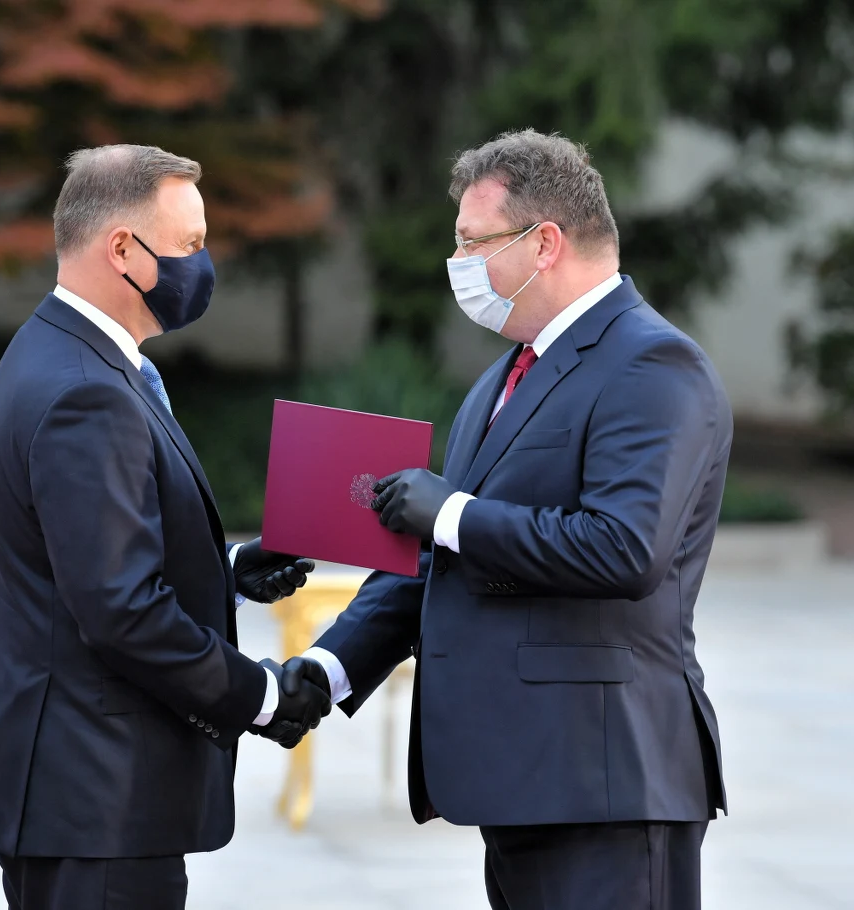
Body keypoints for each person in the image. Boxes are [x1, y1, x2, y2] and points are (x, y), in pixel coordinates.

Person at [283, 129, 731, 910]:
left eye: (471, 244)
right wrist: (324, 673)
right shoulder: (506, 372)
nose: (458, 267)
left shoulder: (653, 364)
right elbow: (439, 559)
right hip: (524, 784)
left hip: (606, 784)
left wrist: (453, 512)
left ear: (545, 243)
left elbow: (624, 549)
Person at [0, 144, 330, 910]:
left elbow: (82, 560)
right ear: (124, 250)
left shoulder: (58, 354)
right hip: (99, 799)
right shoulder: (85, 394)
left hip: (79, 797)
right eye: (190, 246)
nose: (204, 265)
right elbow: (122, 611)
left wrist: (223, 566)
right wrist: (262, 695)